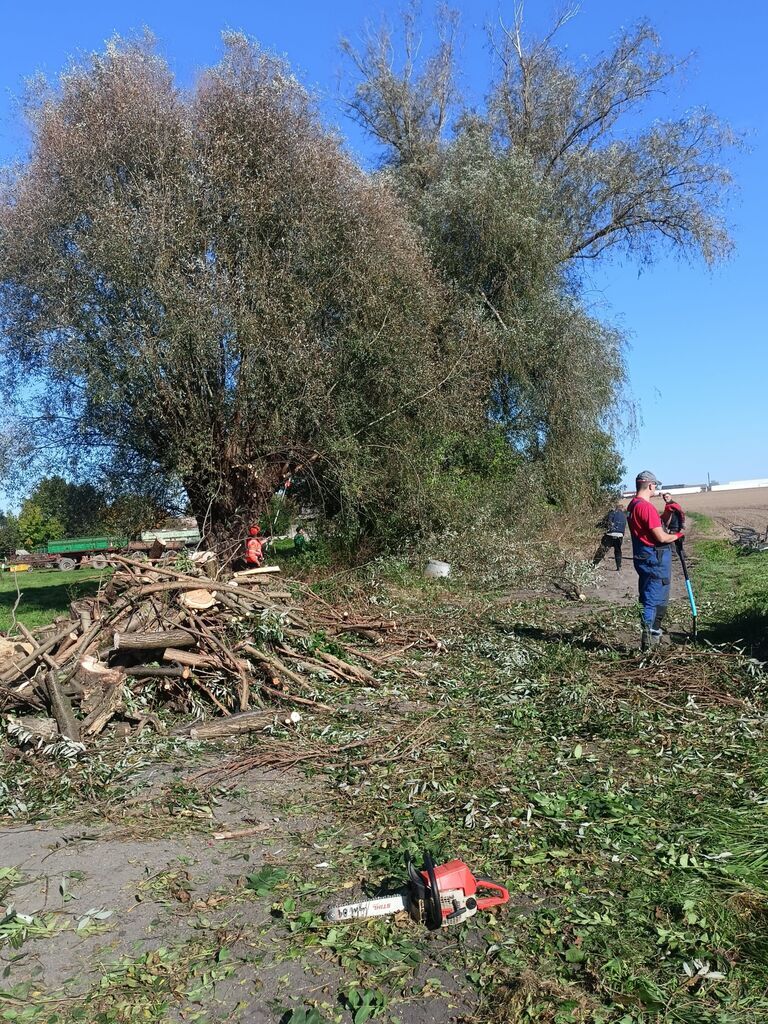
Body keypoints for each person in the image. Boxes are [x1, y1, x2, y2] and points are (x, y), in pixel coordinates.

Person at [627, 470, 684, 651]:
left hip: (643, 556)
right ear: (650, 485)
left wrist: (668, 511)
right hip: (654, 558)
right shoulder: (646, 507)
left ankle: (651, 636)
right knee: (654, 598)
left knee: (647, 597)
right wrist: (678, 535)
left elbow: (654, 525)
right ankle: (650, 641)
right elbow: (660, 536)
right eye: (655, 486)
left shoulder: (633, 505)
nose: (656, 489)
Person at [594, 503, 627, 571]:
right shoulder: (624, 515)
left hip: (610, 535)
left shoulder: (612, 513)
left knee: (602, 550)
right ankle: (618, 566)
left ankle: (593, 564)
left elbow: (606, 523)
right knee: (618, 551)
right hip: (619, 536)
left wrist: (596, 526)